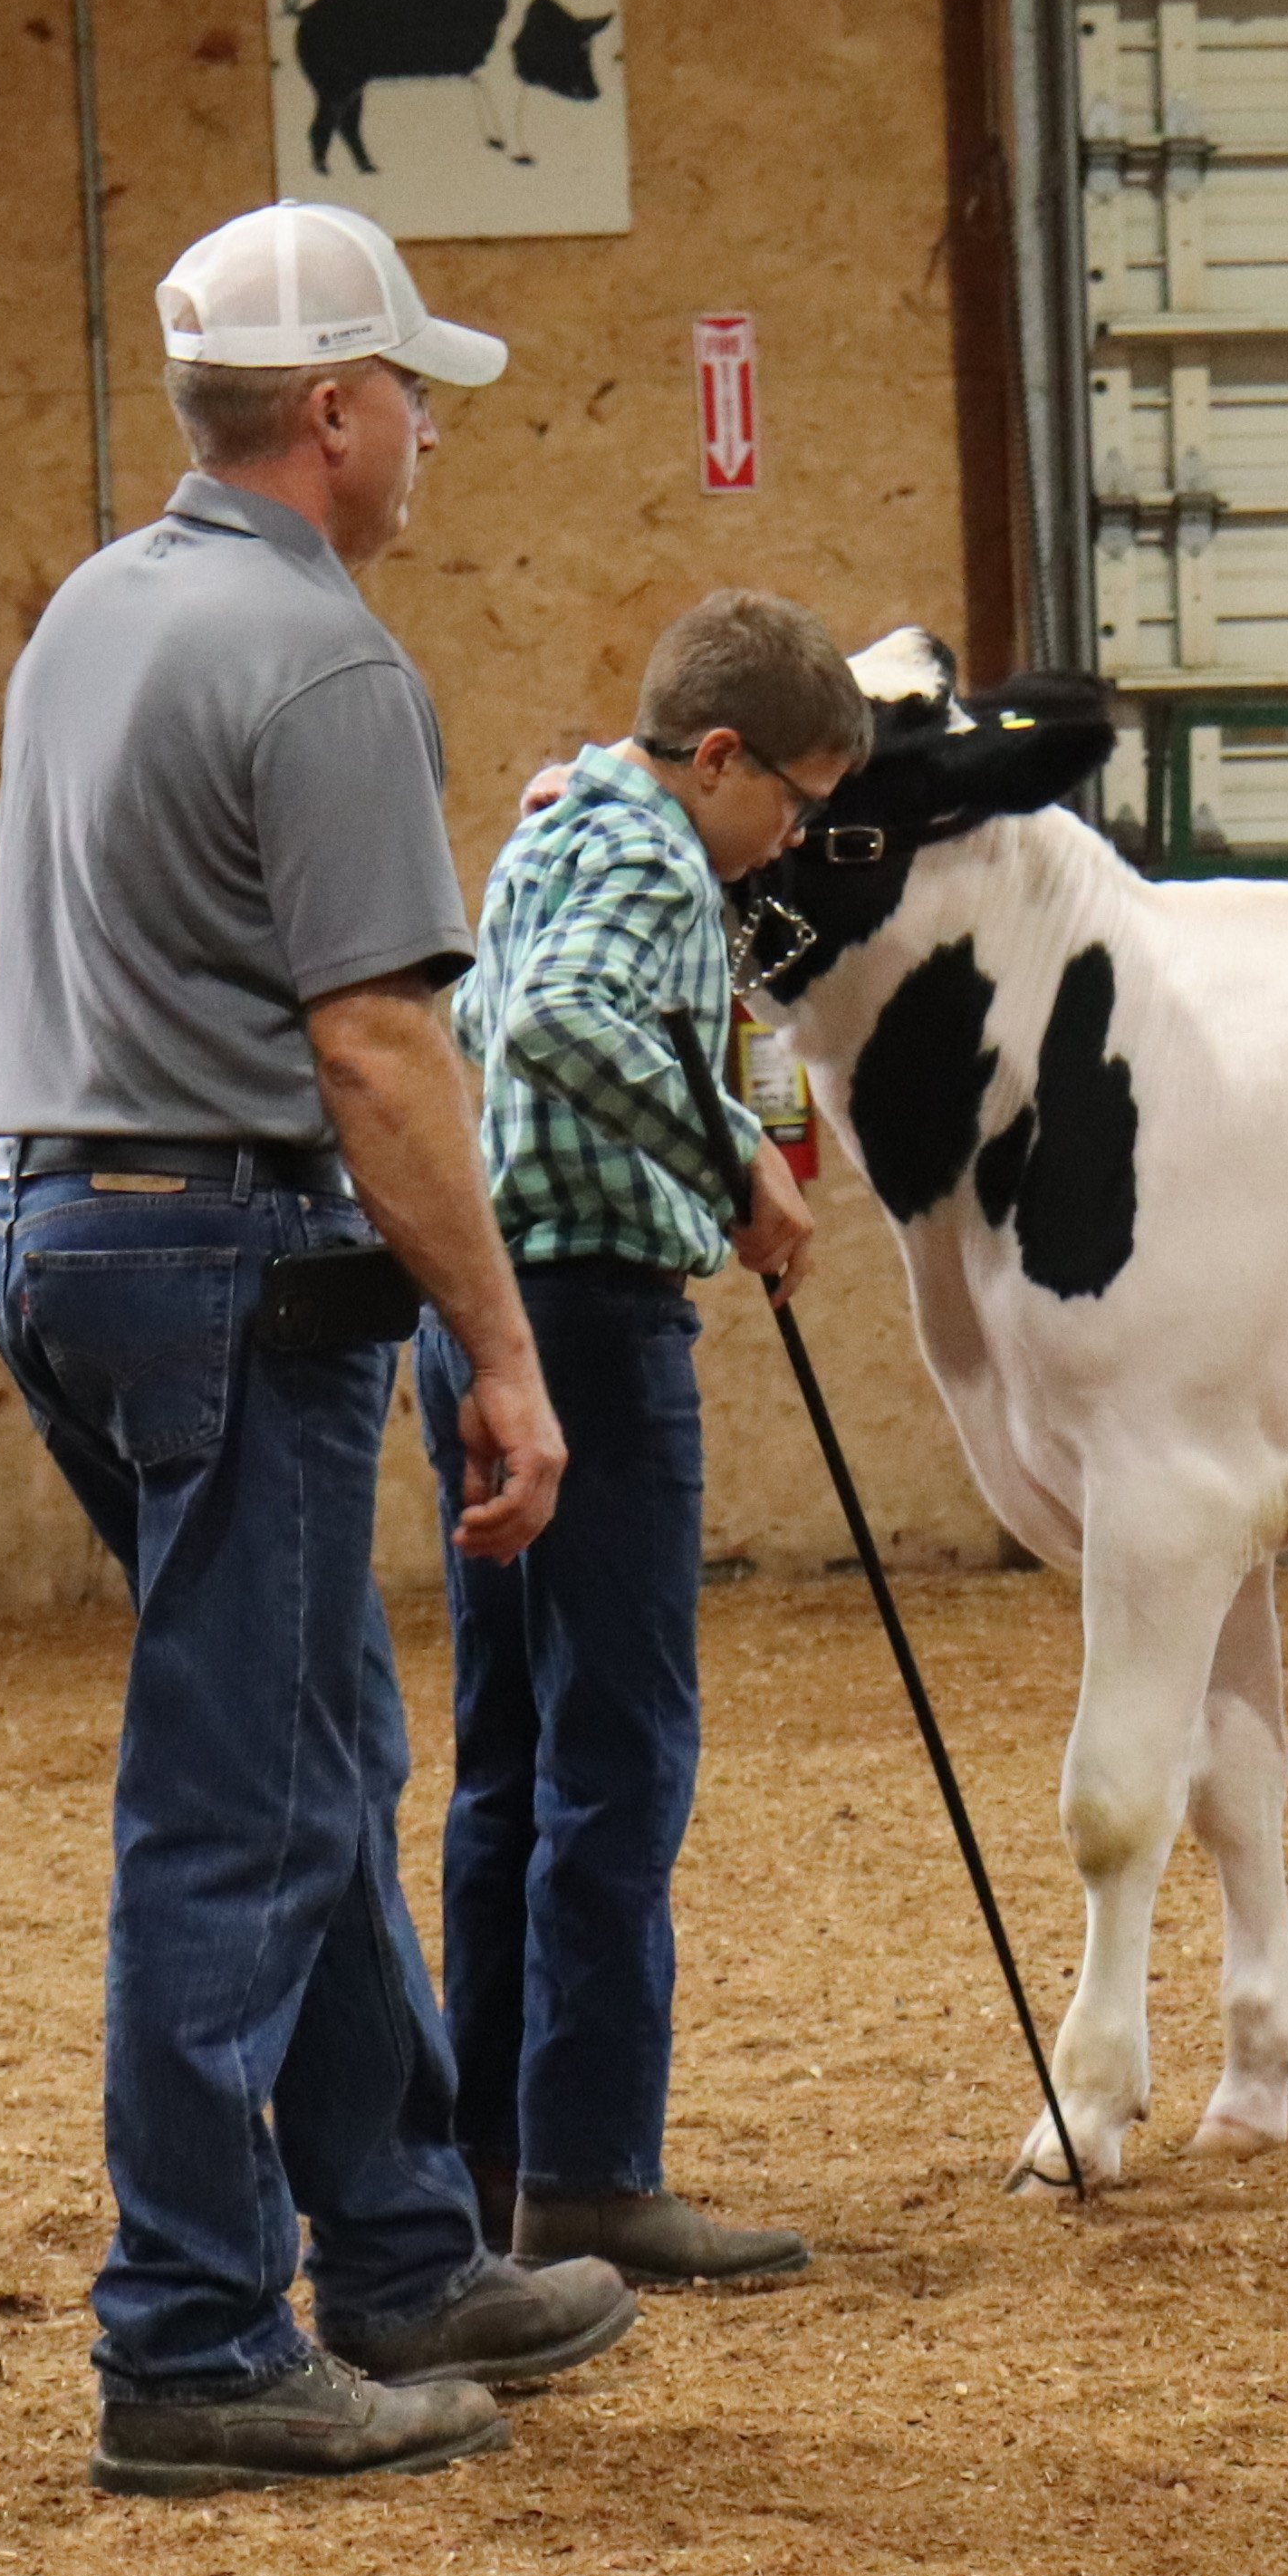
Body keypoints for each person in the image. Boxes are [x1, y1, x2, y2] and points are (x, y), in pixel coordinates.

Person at [0, 198, 639, 2494]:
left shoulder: (94, 611)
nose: (434, 430)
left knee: (319, 1741)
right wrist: (510, 1351)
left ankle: (392, 2230)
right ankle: (186, 2329)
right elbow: (377, 1054)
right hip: (233, 1260)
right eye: (416, 394)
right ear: (337, 412)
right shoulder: (330, 663)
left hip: (61, 1222)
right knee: (241, 1800)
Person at [415, 591, 870, 2288]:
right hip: (596, 1326)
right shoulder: (662, 857)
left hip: (488, 1314)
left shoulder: (553, 829)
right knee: (619, 1755)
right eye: (799, 802)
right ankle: (596, 2169)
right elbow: (551, 1029)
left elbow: (477, 1017)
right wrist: (731, 1156)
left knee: (513, 1763)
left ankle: (489, 2163)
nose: (797, 839)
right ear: (727, 756)